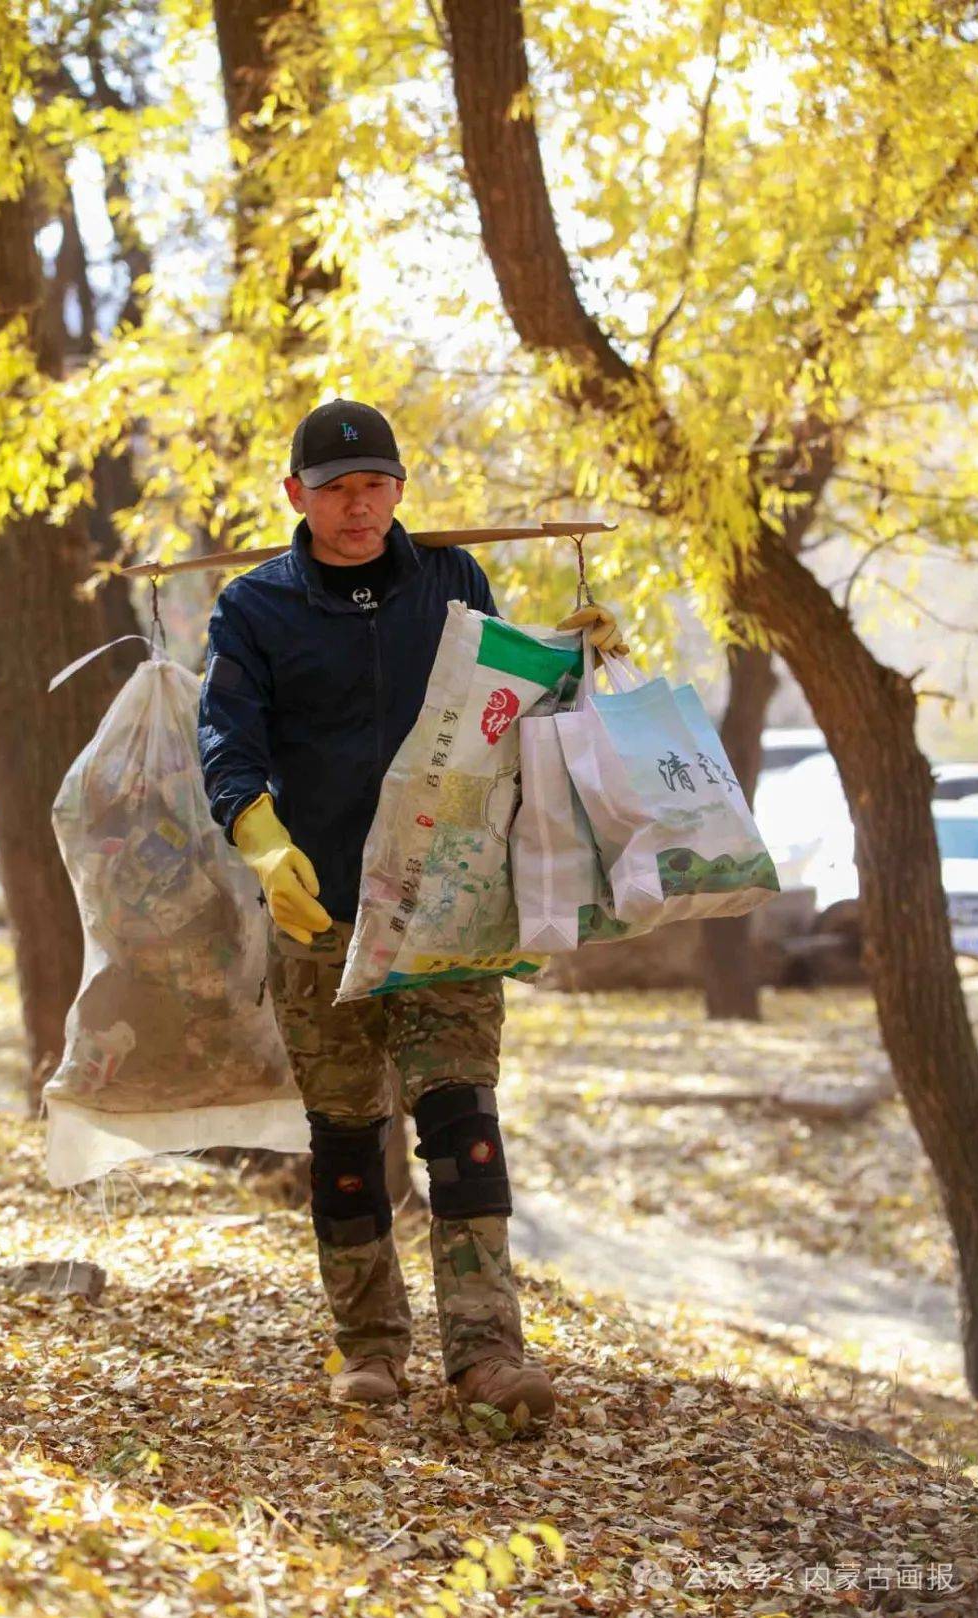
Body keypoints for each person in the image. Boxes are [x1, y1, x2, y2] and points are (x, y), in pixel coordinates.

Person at [198, 399, 623, 1414]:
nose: (359, 505)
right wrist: (262, 844)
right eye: (337, 487)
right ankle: (370, 1351)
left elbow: (503, 713)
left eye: (376, 484)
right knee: (347, 1135)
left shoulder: (450, 580)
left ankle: (485, 1355)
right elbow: (225, 738)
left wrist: (571, 663)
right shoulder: (254, 609)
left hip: (449, 908)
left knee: (461, 1121)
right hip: (321, 907)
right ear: (295, 495)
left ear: (400, 490)